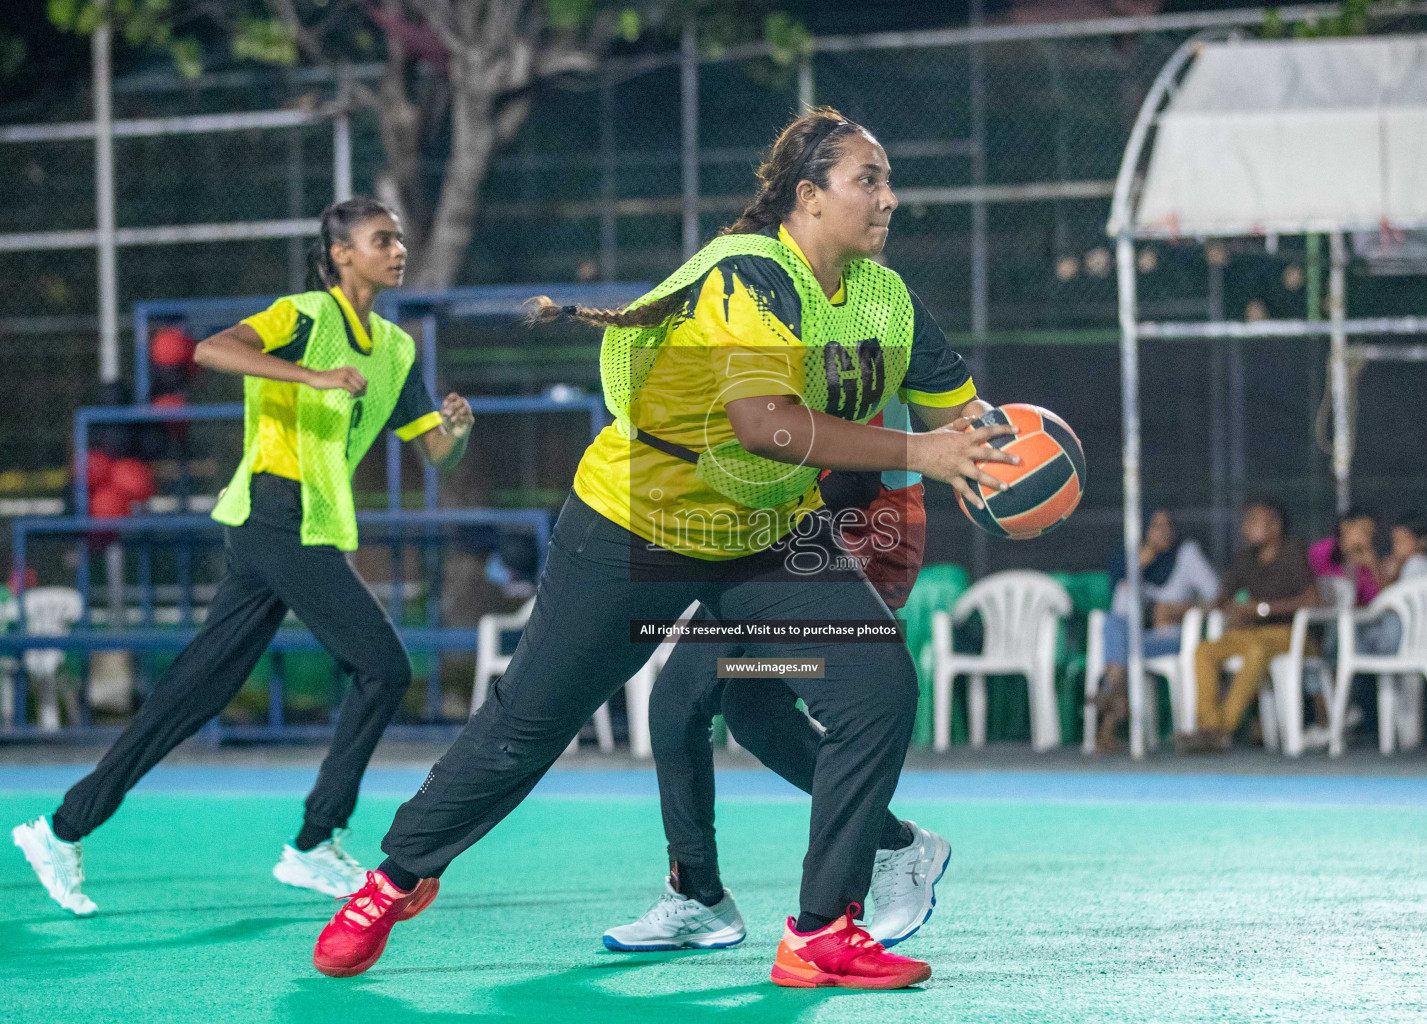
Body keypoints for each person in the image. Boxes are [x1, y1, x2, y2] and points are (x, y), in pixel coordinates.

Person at [308, 108, 1019, 991]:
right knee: (532, 722)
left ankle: (822, 931)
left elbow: (964, 418)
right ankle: (396, 879)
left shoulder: (887, 300)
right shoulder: (749, 278)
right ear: (808, 196)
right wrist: (923, 454)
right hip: (642, 521)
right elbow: (765, 426)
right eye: (867, 180)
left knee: (877, 690)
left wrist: (1008, 461)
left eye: (888, 180)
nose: (888, 198)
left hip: (765, 532)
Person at [12, 198, 475, 917]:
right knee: (383, 667)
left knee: (195, 691)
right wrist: (313, 377)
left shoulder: (396, 349)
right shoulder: (301, 317)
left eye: (400, 238)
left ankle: (60, 827)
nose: (399, 248)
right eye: (382, 239)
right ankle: (313, 843)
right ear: (342, 254)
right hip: (274, 513)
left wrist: (455, 427)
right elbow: (212, 350)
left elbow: (437, 452)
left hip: (304, 525)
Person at [602, 397, 949, 953]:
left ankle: (718, 895)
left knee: (682, 700)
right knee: (748, 712)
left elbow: (855, 482)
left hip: (852, 548)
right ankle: (706, 895)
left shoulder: (844, 337)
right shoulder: (755, 340)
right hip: (777, 544)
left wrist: (730, 530)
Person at [1182, 497, 1318, 753]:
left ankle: (1220, 730)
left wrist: (1261, 609)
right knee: (1204, 651)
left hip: (1289, 635)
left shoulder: (1292, 552)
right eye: (1246, 522)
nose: (1247, 527)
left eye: (1254, 521)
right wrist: (1226, 608)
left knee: (1255, 651)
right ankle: (1209, 726)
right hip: (1253, 633)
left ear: (1275, 525)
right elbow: (1224, 594)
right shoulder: (1246, 557)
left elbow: (1313, 600)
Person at [1092, 508, 1219, 750]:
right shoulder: (1131, 559)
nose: (1164, 532)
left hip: (1170, 637)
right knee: (1114, 626)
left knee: (1118, 647)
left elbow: (1217, 596)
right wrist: (1138, 565)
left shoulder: (1185, 554)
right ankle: (1114, 693)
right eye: (1156, 526)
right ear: (1143, 530)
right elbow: (1121, 610)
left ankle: (1109, 698)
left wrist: (1178, 610)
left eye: (1168, 526)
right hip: (1137, 638)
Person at [1309, 506, 1384, 605]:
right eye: (1363, 531)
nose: (1366, 539)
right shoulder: (1320, 551)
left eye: (1370, 534)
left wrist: (1373, 566)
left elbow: (1378, 600)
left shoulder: (1364, 563)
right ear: (1345, 527)